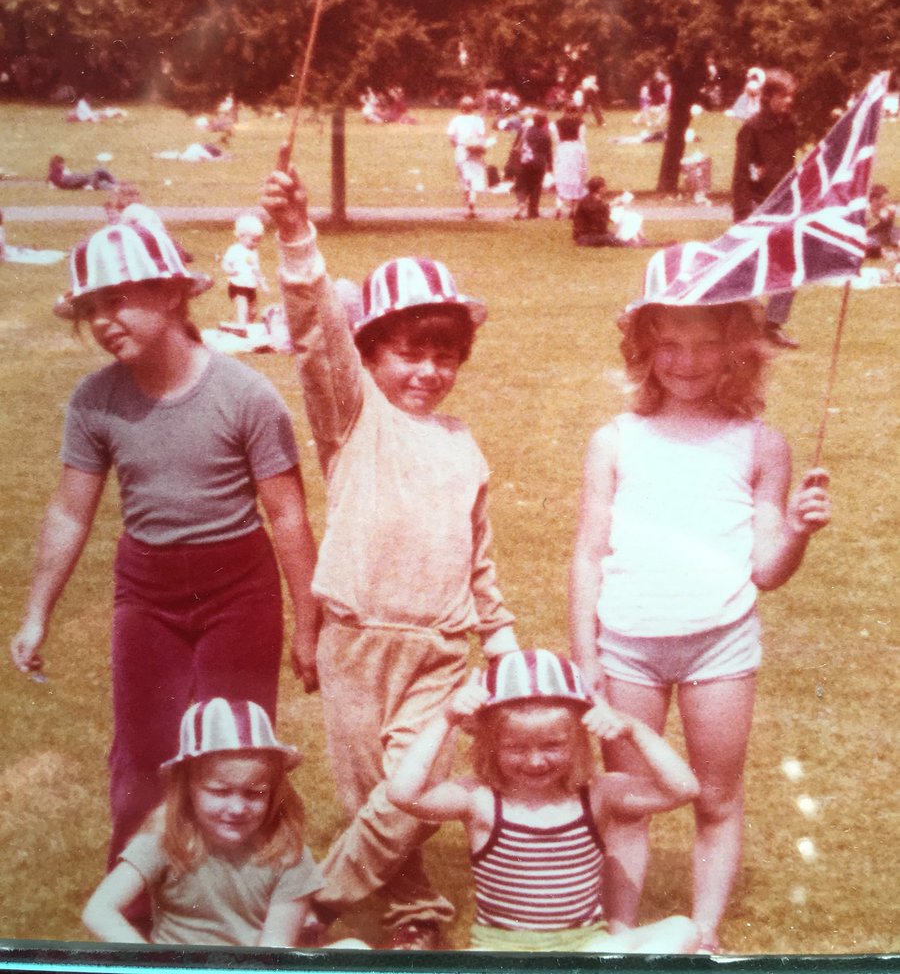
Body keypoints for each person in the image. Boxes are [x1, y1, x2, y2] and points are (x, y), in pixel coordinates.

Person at [260, 160, 519, 949]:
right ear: (371, 354)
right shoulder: (353, 418)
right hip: (356, 637)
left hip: (440, 648)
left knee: (417, 783)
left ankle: (320, 900)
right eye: (408, 352)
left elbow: (478, 557)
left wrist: (501, 639)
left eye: (444, 356)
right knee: (372, 788)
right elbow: (316, 336)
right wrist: (299, 238)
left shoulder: (462, 443)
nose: (427, 372)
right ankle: (413, 915)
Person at [9, 222, 319, 877]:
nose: (102, 320)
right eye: (90, 309)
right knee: (143, 748)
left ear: (172, 294)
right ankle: (140, 900)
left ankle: (255, 891)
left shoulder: (245, 395)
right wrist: (37, 611)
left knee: (237, 747)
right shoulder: (96, 401)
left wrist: (309, 627)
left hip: (238, 588)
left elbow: (287, 514)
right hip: (146, 591)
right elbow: (70, 511)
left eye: (118, 300)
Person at [569, 296, 832, 952]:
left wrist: (798, 529)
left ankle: (706, 935)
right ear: (644, 350)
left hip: (720, 645)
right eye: (669, 345)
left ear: (738, 349)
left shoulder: (761, 444)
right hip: (627, 644)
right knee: (629, 798)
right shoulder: (616, 439)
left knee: (716, 796)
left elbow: (767, 570)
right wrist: (586, 655)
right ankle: (621, 935)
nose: (686, 362)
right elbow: (588, 552)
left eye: (706, 344)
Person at [387, 649, 701, 954]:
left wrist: (631, 728)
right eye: (516, 747)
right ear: (491, 746)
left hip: (585, 948)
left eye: (552, 745)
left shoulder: (596, 796)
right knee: (354, 950)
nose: (535, 761)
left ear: (578, 740)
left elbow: (683, 788)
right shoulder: (480, 800)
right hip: (500, 951)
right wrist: (446, 717)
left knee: (683, 929)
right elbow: (403, 793)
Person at [82, 697, 326, 947]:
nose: (237, 808)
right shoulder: (168, 836)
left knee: (353, 949)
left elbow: (274, 949)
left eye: (254, 793)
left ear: (274, 792)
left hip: (251, 970)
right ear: (187, 789)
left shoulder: (287, 852)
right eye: (220, 791)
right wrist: (153, 965)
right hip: (177, 969)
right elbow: (99, 910)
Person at [731, 69, 800, 347]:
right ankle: (744, 325)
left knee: (791, 266)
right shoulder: (752, 128)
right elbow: (741, 173)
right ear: (768, 96)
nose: (788, 101)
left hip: (785, 204)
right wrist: (741, 214)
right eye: (783, 96)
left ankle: (772, 325)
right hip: (757, 205)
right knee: (750, 267)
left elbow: (790, 166)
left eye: (791, 96)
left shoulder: (790, 126)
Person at [222, 214, 269, 327]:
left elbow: (256, 270)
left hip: (250, 286)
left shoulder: (254, 253)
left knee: (253, 311)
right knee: (242, 307)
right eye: (253, 240)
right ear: (241, 236)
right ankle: (241, 326)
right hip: (238, 285)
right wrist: (229, 270)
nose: (256, 243)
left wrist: (263, 284)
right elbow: (225, 262)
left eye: (258, 240)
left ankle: (247, 326)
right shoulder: (235, 250)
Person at [447, 96, 490, 218]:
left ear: (461, 107)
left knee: (464, 178)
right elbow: (482, 137)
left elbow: (451, 137)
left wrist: (457, 146)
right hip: (475, 150)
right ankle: (472, 203)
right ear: (472, 108)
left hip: (461, 149)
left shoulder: (456, 120)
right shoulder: (478, 120)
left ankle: (468, 206)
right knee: (475, 177)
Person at [551, 106, 588, 219]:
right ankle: (573, 209)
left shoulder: (556, 123)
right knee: (576, 178)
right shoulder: (580, 123)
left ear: (564, 111)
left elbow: (556, 140)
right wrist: (585, 157)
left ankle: (559, 207)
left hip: (562, 149)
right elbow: (582, 140)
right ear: (576, 112)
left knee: (561, 177)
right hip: (576, 149)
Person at [514, 111, 553, 219]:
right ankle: (533, 212)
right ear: (544, 122)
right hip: (539, 163)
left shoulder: (526, 131)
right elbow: (548, 152)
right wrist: (550, 166)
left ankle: (521, 202)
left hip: (526, 161)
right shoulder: (545, 135)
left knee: (522, 184)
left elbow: (517, 146)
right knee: (536, 187)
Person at [47, 154, 116, 191]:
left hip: (81, 181)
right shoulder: (58, 170)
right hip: (77, 180)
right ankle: (113, 183)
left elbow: (51, 183)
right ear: (60, 163)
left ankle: (114, 185)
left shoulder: (53, 175)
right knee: (98, 170)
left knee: (99, 178)